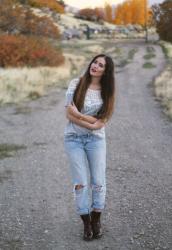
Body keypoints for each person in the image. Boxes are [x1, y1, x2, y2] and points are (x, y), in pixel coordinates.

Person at [64, 54, 115, 241]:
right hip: (73, 138)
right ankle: (85, 223)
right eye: (95, 62)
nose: (96, 66)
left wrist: (81, 116)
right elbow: (69, 115)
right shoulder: (76, 83)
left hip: (96, 141)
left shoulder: (107, 91)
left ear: (105, 71)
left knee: (98, 181)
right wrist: (91, 123)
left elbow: (101, 122)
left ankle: (96, 220)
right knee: (80, 182)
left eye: (101, 65)